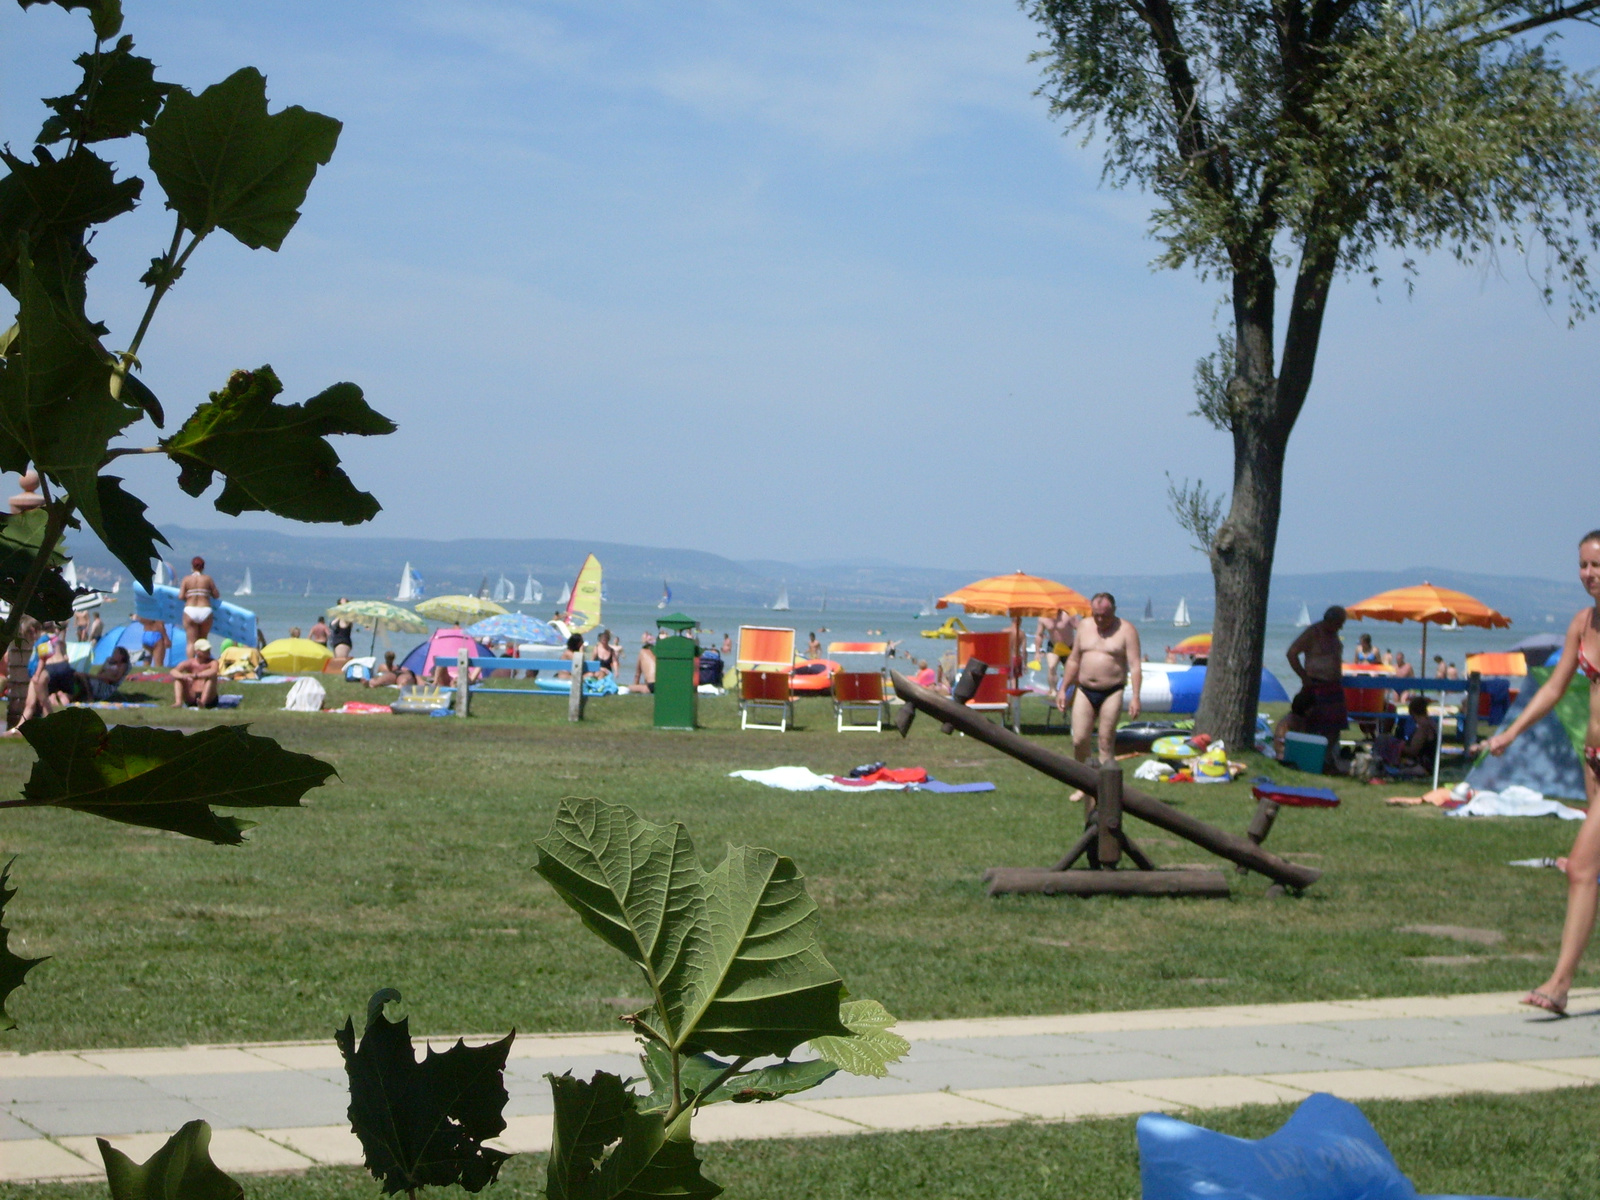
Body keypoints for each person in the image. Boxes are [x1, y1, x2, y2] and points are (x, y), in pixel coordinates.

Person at [1478, 530, 1600, 1016]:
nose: (1589, 574)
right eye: (1583, 565)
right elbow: (1551, 690)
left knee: (1581, 868)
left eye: (1597, 565)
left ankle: (1559, 985)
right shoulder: (1581, 623)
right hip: (1594, 762)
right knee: (1586, 871)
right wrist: (1511, 733)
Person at [1056, 593, 1141, 801]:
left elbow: (1136, 665)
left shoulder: (1126, 630)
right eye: (1097, 615)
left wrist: (1136, 696)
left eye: (1105, 615)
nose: (1101, 620)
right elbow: (1074, 659)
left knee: (1105, 741)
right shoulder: (1084, 627)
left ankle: (1105, 790)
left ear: (1114, 611)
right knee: (1079, 740)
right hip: (1084, 689)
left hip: (1112, 690)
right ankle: (1083, 785)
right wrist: (1063, 688)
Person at [1286, 605, 1348, 773]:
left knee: (1334, 728)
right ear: (1330, 620)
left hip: (1333, 685)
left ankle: (1325, 759)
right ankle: (1309, 760)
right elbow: (1292, 653)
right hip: (1316, 684)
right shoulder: (1313, 633)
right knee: (1312, 725)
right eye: (1339, 623)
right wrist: (1304, 677)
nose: (1340, 627)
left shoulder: (1334, 634)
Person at [1370, 696, 1437, 774]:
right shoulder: (1431, 723)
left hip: (1422, 765)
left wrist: (1395, 745)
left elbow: (1413, 750)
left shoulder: (1423, 727)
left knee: (1383, 741)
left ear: (1411, 711)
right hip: (1427, 763)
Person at [178, 556, 219, 649]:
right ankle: (202, 662)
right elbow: (216, 595)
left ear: (192, 566)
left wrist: (189, 596)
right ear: (203, 567)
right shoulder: (208, 579)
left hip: (190, 610)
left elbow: (180, 596)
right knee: (203, 641)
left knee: (191, 643)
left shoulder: (186, 579)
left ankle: (191, 662)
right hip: (205, 610)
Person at [1036, 608, 1079, 691]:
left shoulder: (1068, 615)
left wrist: (1079, 646)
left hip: (1069, 647)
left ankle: (1072, 691)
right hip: (1053, 646)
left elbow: (1080, 628)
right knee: (1051, 667)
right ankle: (1053, 690)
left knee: (1072, 672)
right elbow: (1039, 635)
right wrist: (1037, 652)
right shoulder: (1043, 618)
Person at [171, 638, 220, 708]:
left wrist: (196, 675)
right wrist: (183, 676)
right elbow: (173, 671)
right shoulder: (190, 662)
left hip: (209, 698)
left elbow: (214, 671)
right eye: (205, 651)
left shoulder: (212, 662)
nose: (208, 652)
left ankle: (203, 702)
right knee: (178, 679)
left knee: (211, 677)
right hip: (192, 695)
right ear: (197, 652)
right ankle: (178, 702)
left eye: (208, 650)